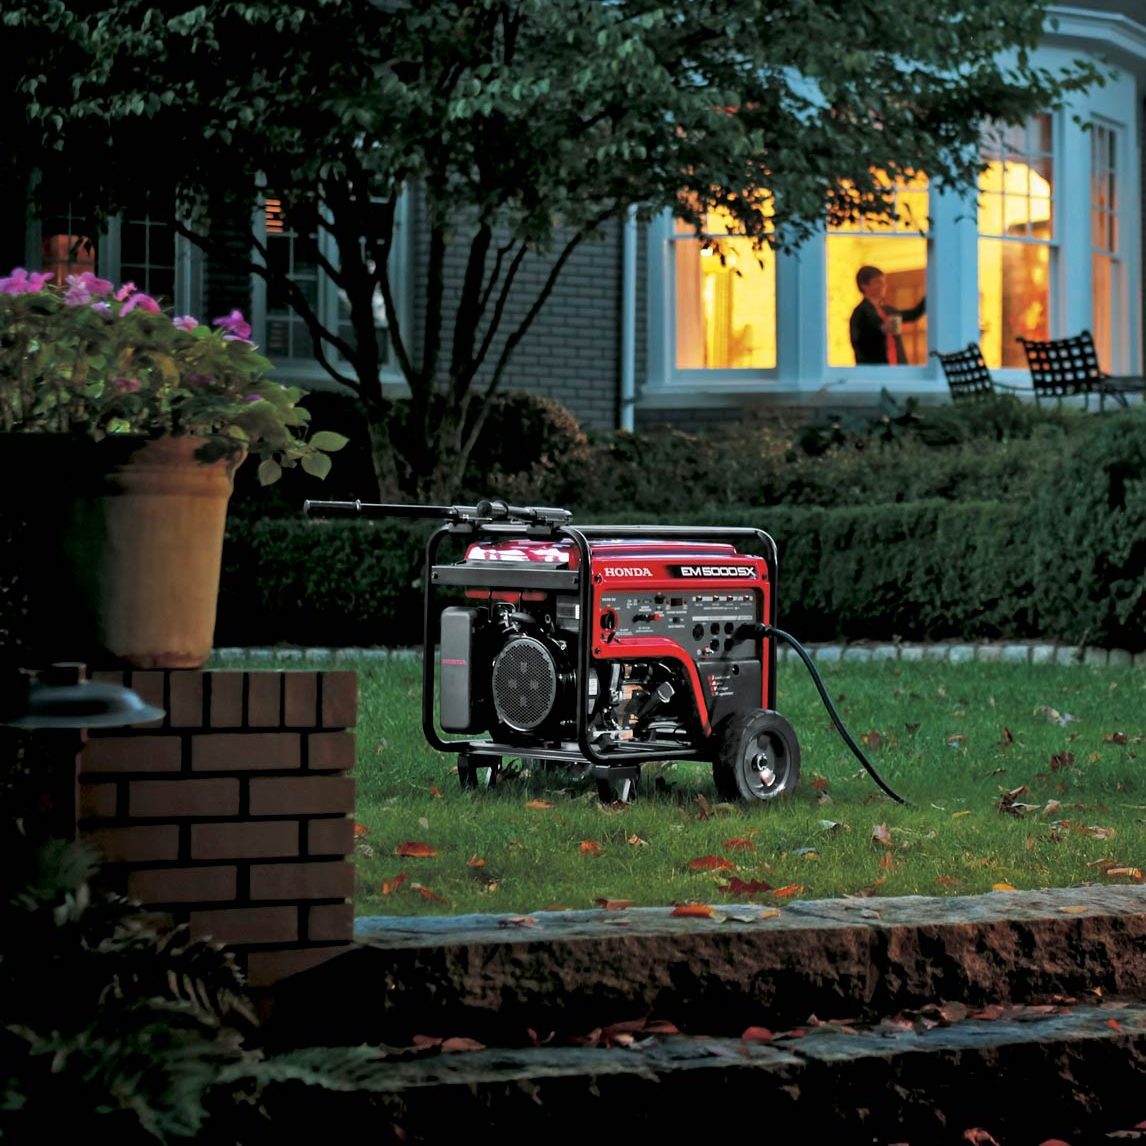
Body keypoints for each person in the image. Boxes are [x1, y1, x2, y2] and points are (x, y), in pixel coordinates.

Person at [849, 265, 926, 365]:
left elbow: (913, 314)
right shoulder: (860, 313)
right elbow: (861, 339)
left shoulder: (889, 311)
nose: (883, 286)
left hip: (898, 368)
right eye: (878, 282)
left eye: (883, 282)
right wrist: (882, 329)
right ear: (864, 285)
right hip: (876, 369)